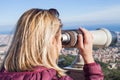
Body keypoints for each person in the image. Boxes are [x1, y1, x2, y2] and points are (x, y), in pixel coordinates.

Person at [0, 8, 104, 80]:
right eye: (60, 38)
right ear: (51, 42)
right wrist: (89, 59)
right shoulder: (53, 77)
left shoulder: (3, 74)